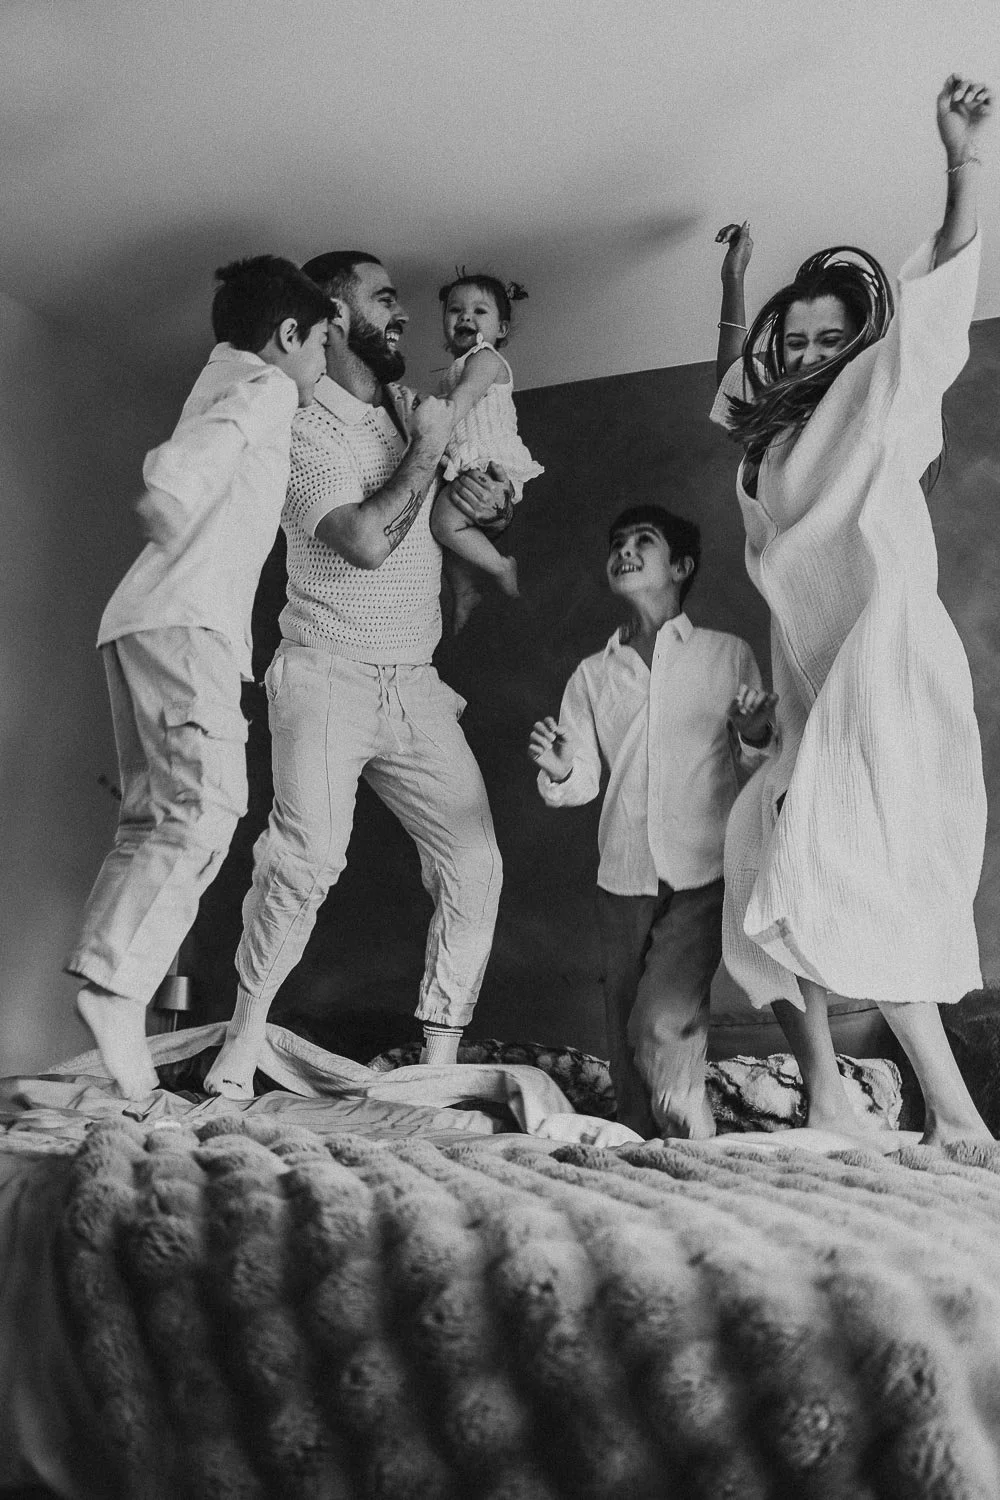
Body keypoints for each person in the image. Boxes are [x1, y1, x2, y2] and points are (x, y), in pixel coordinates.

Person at [710, 76, 993, 1144]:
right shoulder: (766, 441)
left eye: (826, 337)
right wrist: (738, 287)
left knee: (848, 871)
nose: (799, 350)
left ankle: (953, 1113)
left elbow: (926, 316)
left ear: (858, 347)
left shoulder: (879, 403)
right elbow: (735, 375)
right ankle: (830, 1090)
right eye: (791, 336)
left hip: (883, 673)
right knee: (760, 860)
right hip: (808, 682)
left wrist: (962, 166)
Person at [204, 252, 512, 1099]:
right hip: (326, 673)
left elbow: (445, 514)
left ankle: (437, 1066)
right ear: (334, 317)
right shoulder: (303, 427)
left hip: (414, 683)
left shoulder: (408, 416)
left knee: (475, 863)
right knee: (303, 862)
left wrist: (482, 500)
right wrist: (429, 453)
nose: (404, 313)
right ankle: (241, 1042)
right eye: (385, 297)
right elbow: (366, 541)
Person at [66, 256, 332, 1099]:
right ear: (287, 335)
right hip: (190, 627)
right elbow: (198, 456)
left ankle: (114, 991)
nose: (321, 365)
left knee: (153, 821)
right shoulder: (269, 387)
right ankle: (117, 991)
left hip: (139, 622)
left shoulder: (220, 376)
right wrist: (170, 490)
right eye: (321, 343)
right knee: (207, 808)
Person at [528, 506, 775, 1138]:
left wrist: (751, 734)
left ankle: (694, 1143)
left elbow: (759, 766)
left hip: (702, 872)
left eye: (645, 541)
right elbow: (581, 782)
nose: (626, 551)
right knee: (623, 1032)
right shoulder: (593, 673)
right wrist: (562, 766)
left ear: (682, 566)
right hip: (622, 876)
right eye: (617, 543)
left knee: (662, 1022)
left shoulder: (727, 656)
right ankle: (644, 1161)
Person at [430, 272, 544, 630]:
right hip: (466, 461)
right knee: (447, 538)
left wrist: (428, 415)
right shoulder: (454, 368)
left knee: (443, 524)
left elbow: (458, 405)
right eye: (455, 310)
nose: (465, 317)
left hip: (487, 459)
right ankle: (464, 591)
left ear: (501, 329)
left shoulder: (485, 358)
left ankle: (500, 566)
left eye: (479, 311)